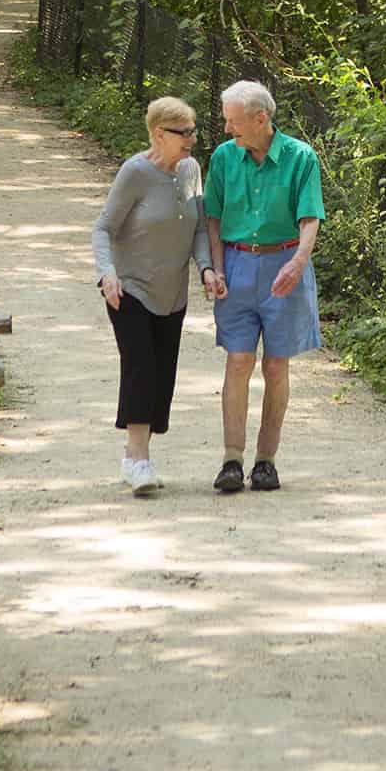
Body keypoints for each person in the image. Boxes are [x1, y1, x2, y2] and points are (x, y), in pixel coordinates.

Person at [198, 79, 324, 493]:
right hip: (236, 264)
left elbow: (310, 218)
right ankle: (231, 460)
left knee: (275, 365)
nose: (227, 129)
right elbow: (213, 218)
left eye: (233, 122)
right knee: (238, 361)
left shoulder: (300, 157)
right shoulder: (224, 157)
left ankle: (266, 461)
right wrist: (215, 268)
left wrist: (298, 261)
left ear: (261, 118)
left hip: (284, 264)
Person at [91, 96, 216, 497]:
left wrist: (206, 267)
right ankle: (138, 458)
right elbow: (104, 228)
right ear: (159, 134)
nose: (193, 140)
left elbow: (198, 229)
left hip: (172, 291)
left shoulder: (191, 170)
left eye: (194, 131)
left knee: (162, 377)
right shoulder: (136, 173)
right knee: (140, 369)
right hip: (130, 288)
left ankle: (135, 459)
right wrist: (106, 273)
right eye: (185, 133)